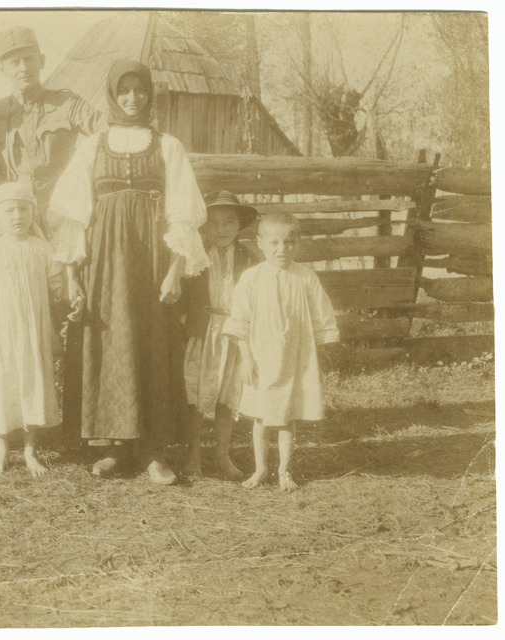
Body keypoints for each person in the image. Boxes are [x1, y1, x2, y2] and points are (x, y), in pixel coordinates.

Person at [49, 60, 210, 485]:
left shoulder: (168, 146)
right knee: (109, 342)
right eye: (124, 91)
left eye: (140, 90)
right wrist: (72, 273)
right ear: (112, 95)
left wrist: (175, 270)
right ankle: (113, 448)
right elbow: (74, 216)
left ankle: (155, 451)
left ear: (150, 94)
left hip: (151, 258)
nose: (133, 98)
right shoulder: (93, 145)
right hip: (103, 260)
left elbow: (182, 214)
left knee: (154, 342)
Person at [223, 212, 340, 491]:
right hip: (261, 359)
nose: (282, 249)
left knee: (287, 416)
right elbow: (240, 320)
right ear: (260, 243)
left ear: (298, 243)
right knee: (262, 416)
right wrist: (247, 358)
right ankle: (261, 468)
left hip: (294, 359)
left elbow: (322, 317)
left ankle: (285, 470)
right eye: (274, 243)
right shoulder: (251, 278)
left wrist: (314, 358)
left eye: (289, 242)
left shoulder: (306, 278)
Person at [0, 182, 68, 477]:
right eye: (9, 210)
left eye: (23, 209)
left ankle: (31, 451)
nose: (17, 216)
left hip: (33, 335)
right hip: (1, 336)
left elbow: (58, 288)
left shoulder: (42, 249)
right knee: (1, 385)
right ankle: (3, 450)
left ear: (33, 213)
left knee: (32, 384)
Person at [0, 26, 104, 234]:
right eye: (14, 62)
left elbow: (109, 135)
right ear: (2, 70)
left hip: (61, 215)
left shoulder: (68, 104)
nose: (24, 68)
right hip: (16, 221)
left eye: (29, 59)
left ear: (42, 61)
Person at [181, 191, 259, 478]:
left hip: (234, 334)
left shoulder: (249, 258)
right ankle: (193, 457)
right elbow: (183, 297)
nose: (222, 229)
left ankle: (223, 457)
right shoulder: (195, 256)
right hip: (204, 333)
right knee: (197, 399)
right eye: (214, 223)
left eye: (229, 222)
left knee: (226, 399)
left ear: (239, 226)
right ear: (203, 226)